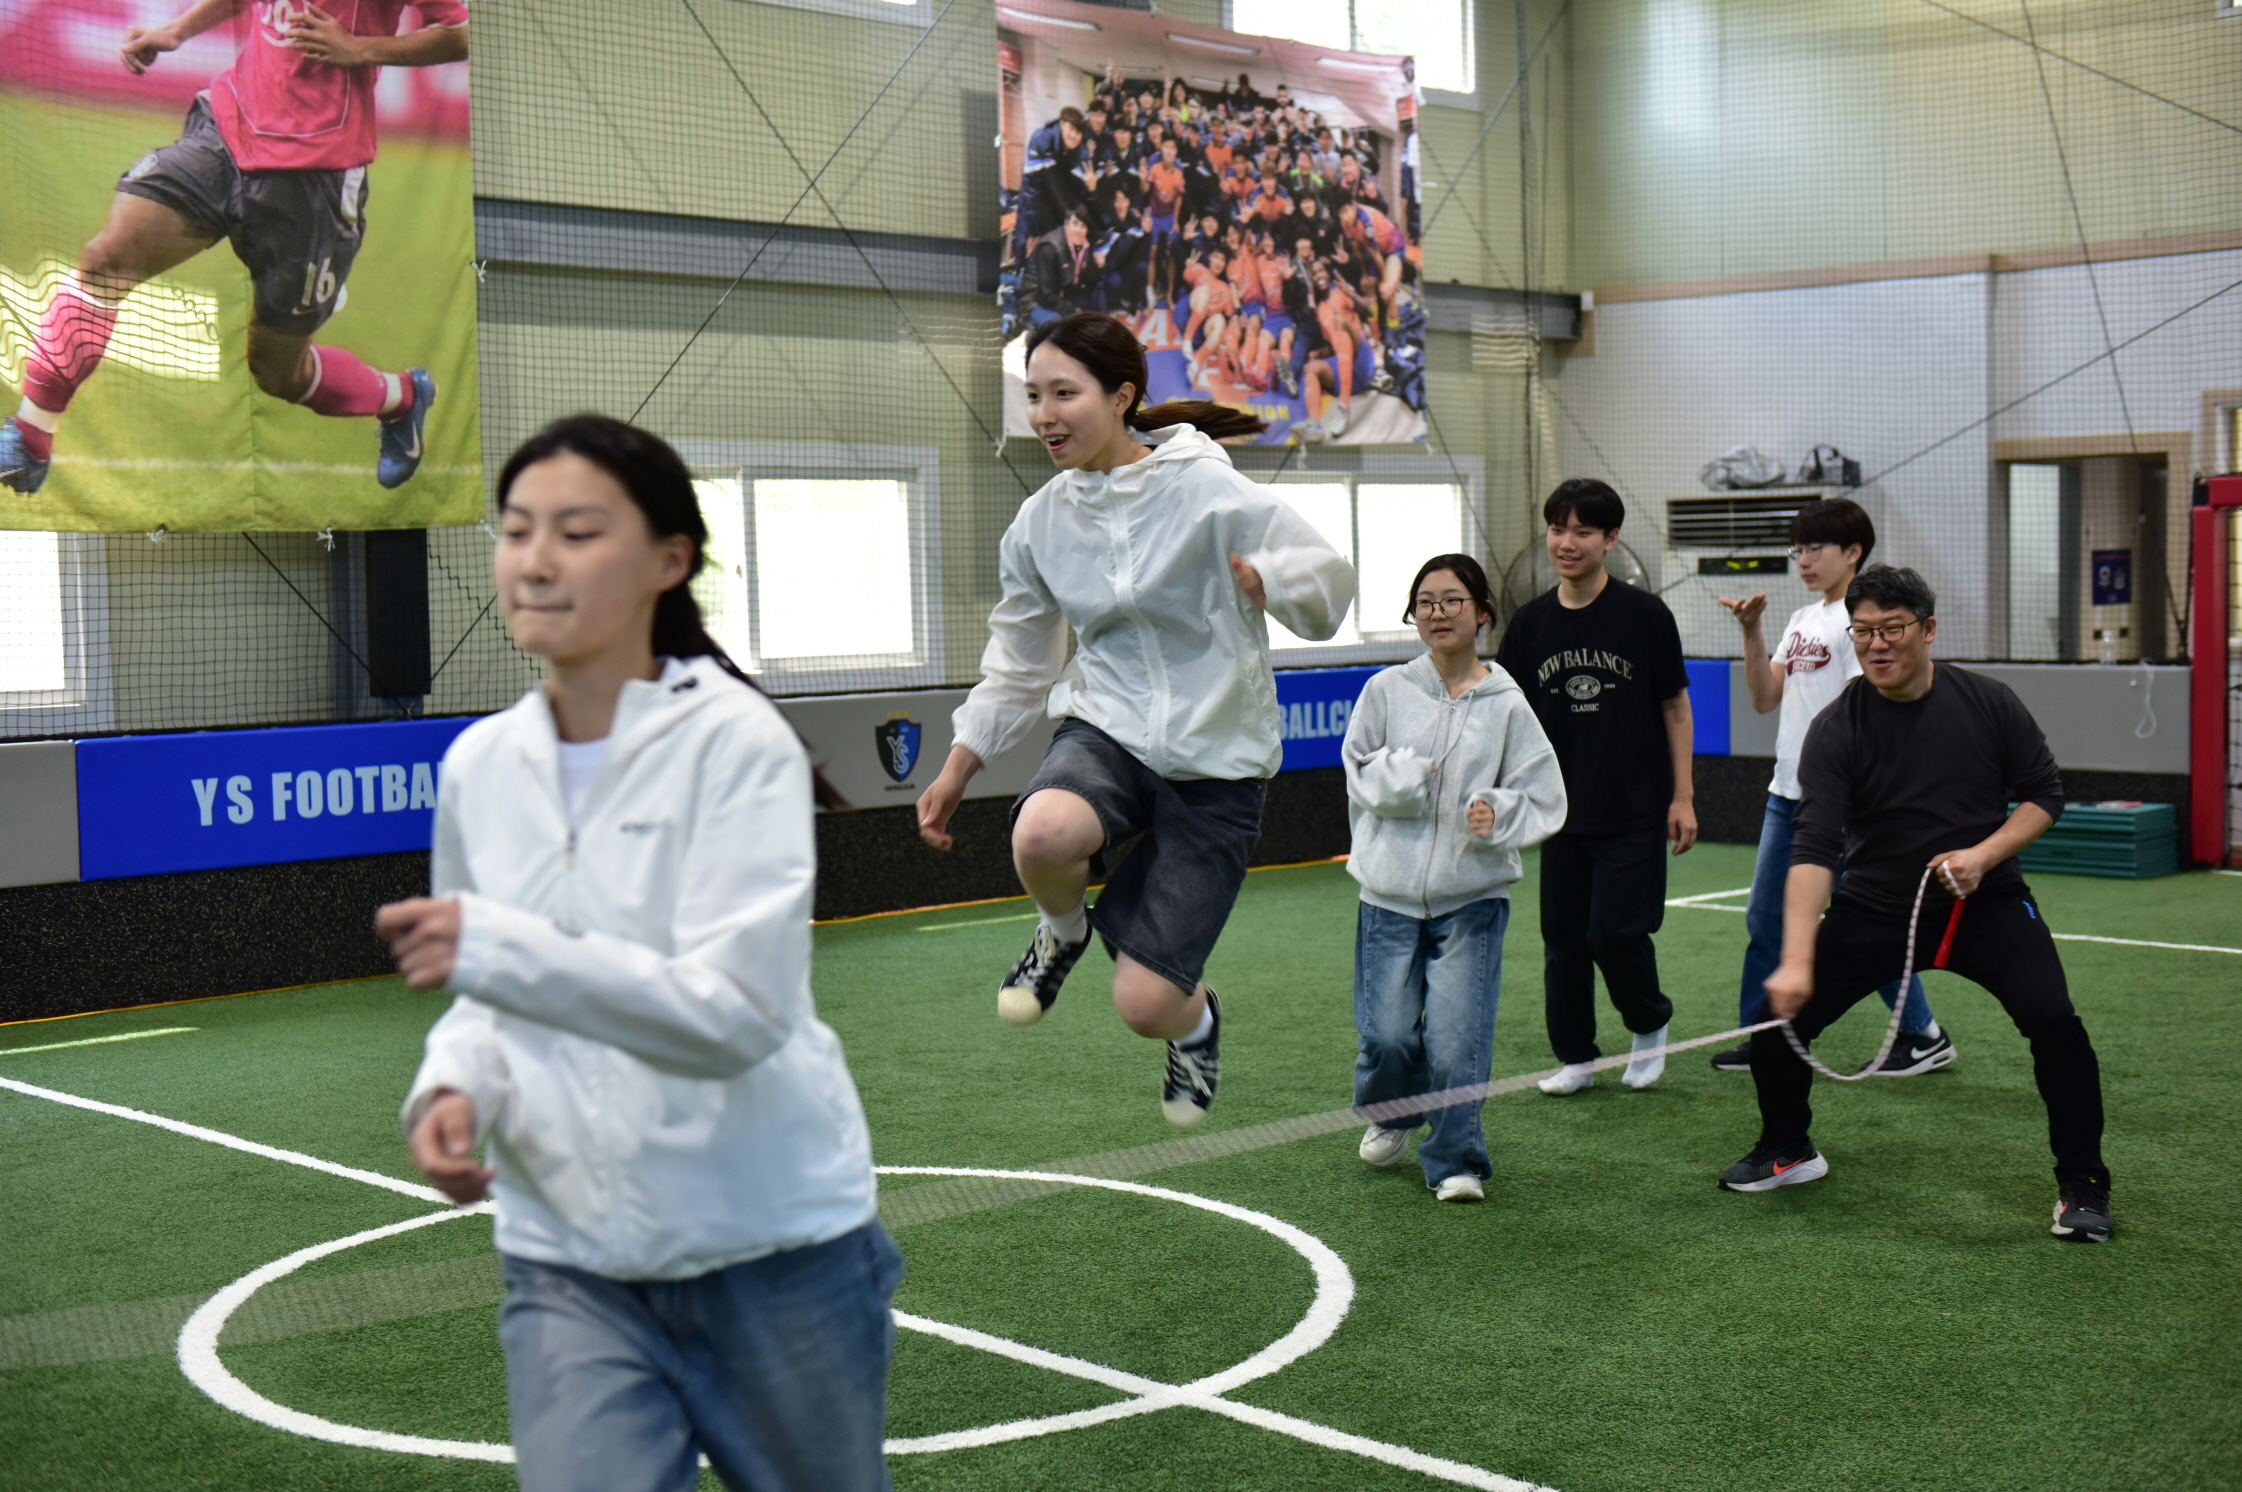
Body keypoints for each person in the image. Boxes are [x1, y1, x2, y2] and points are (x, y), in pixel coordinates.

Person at [376, 416, 901, 1489]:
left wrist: (500, 947)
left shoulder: (736, 743)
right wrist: (455, 1085)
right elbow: (486, 997)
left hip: (772, 1246)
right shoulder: (480, 765)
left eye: (577, 532)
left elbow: (735, 1015)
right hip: (567, 1259)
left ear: (669, 560)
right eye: (516, 530)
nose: (536, 561)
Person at [915, 312, 1355, 1127]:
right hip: (1109, 730)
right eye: (1033, 395)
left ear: (1121, 397)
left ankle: (1196, 1025)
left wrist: (1278, 584)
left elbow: (1327, 587)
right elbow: (1020, 662)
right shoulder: (1040, 523)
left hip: (1217, 760)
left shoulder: (1211, 491)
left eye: (1064, 394)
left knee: (1145, 1005)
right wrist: (959, 764)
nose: (1044, 414)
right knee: (1042, 832)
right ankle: (1062, 932)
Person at [1723, 565, 2113, 1245]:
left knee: (2055, 1023)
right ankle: (1788, 1148)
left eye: (1892, 629)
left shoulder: (1988, 703)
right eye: (1863, 632)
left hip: (1985, 905)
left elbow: (2044, 795)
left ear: (1927, 629)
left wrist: (1983, 856)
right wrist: (1796, 958)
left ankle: (2082, 1183)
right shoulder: (1837, 727)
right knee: (1775, 1024)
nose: (1876, 645)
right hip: (1875, 908)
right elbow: (1813, 850)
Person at [1, 0, 463, 496]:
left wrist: (359, 49)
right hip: (227, 131)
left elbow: (458, 33)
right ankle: (31, 433)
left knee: (279, 373)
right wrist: (178, 30)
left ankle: (401, 397)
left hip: (315, 179)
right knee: (105, 262)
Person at [1345, 555, 1567, 1202]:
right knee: (1386, 1036)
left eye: (1451, 600)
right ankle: (1394, 1113)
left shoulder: (1508, 704)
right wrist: (1401, 780)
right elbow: (1358, 769)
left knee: (1456, 1039)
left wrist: (1498, 812)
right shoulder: (1385, 690)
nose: (1437, 613)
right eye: (1425, 602)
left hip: (1473, 899)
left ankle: (1455, 1160)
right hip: (1387, 897)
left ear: (1483, 612)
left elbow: (1544, 795)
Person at [1708, 498, 1952, 1075]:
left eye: (1816, 548)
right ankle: (1763, 1037)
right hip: (1785, 797)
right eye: (1798, 549)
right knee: (1765, 919)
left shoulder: (1863, 625)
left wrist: (1835, 793)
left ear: (1853, 552)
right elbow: (1764, 698)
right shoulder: (1800, 619)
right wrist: (1751, 631)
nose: (1804, 560)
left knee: (1863, 927)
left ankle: (1922, 1034)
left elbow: (1856, 709)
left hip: (1842, 806)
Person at [1492, 479, 1695, 1096]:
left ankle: (1648, 1023)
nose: (1566, 542)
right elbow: (1507, 716)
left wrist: (1683, 796)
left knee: (1615, 933)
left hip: (1634, 808)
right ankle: (1576, 1056)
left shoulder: (1645, 616)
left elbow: (1675, 707)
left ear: (1611, 539)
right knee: (1563, 944)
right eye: (1558, 529)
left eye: (1583, 531)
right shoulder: (1529, 624)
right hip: (1559, 812)